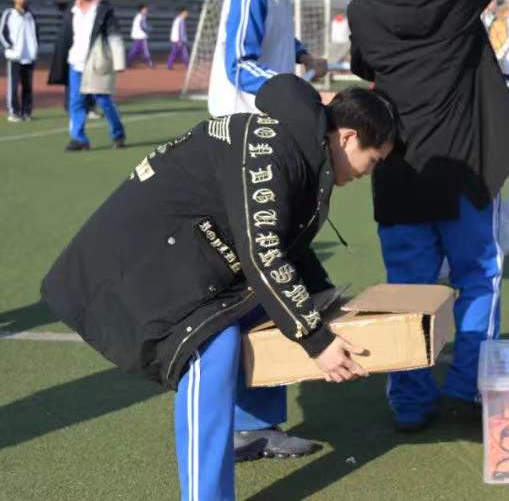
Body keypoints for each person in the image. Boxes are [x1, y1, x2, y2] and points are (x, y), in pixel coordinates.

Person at [41, 75, 397, 501]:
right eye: (373, 160)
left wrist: (320, 296)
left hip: (187, 251)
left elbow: (287, 241)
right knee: (211, 347)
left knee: (274, 307)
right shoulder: (276, 150)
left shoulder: (302, 147)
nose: (368, 173)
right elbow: (263, 253)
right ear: (348, 137)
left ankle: (249, 428)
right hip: (142, 258)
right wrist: (317, 340)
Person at [347, 0, 509, 432]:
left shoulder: (364, 5)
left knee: (407, 290)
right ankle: (469, 389)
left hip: (399, 170)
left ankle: (410, 402)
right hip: (464, 169)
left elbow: (365, 67)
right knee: (477, 278)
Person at [47, 0, 127, 151]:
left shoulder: (103, 9)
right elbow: (65, 37)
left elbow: (114, 34)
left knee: (104, 101)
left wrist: (119, 61)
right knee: (76, 102)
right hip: (75, 63)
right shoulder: (72, 10)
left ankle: (118, 134)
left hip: (97, 63)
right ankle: (79, 139)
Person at [2, 0, 38, 122]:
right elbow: (2, 33)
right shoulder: (9, 14)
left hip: (29, 57)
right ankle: (14, 113)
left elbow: (36, 33)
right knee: (13, 86)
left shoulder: (30, 15)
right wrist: (10, 46)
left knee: (28, 86)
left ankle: (26, 112)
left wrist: (35, 48)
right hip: (15, 57)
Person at [128, 3, 153, 68]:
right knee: (142, 51)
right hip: (141, 37)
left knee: (136, 51)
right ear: (141, 10)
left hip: (137, 36)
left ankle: (129, 63)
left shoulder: (139, 16)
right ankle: (149, 63)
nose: (146, 11)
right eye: (145, 9)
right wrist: (148, 29)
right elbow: (143, 26)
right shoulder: (141, 16)